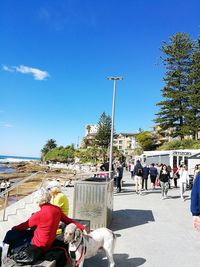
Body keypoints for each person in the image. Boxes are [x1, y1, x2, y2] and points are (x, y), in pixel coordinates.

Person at [3, 188, 85, 253]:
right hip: (49, 242)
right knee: (30, 232)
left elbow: (23, 226)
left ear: (38, 200)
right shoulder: (57, 210)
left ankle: (4, 254)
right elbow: (68, 220)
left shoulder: (39, 214)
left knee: (10, 234)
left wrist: (13, 228)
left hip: (38, 245)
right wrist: (81, 227)